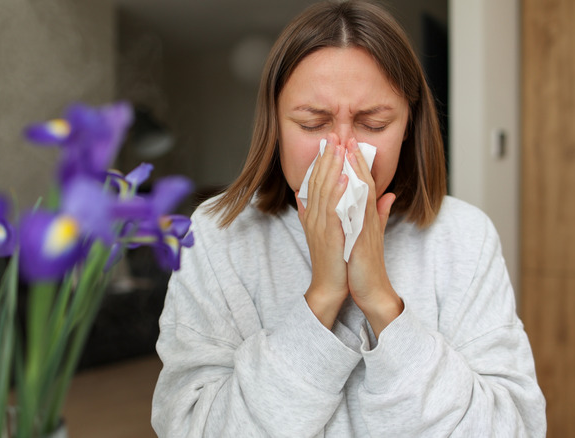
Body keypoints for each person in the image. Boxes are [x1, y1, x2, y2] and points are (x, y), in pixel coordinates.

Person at [151, 1, 546, 436]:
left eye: (373, 124)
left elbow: (515, 427)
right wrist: (322, 296)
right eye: (313, 122)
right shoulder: (218, 234)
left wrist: (381, 300)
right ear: (275, 126)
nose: (342, 154)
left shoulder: (464, 236)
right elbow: (190, 427)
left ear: (408, 126)